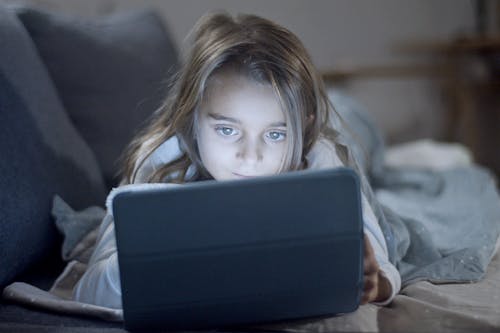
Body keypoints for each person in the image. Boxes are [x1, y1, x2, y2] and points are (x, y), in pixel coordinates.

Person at [73, 12, 400, 310]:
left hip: (334, 128)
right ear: (191, 119)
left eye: (275, 135)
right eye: (227, 129)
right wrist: (163, 256)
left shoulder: (318, 158)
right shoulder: (163, 162)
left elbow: (381, 266)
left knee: (355, 130)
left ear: (304, 128)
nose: (251, 156)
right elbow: (87, 291)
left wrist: (374, 283)